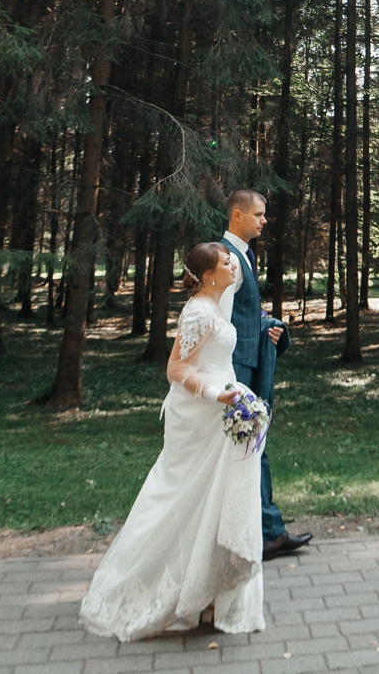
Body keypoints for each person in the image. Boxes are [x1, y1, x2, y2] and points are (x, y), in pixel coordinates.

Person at [78, 241, 265, 640]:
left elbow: (221, 356)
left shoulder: (217, 304)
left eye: (234, 262)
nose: (235, 268)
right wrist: (218, 395)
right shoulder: (198, 310)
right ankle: (164, 587)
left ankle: (208, 592)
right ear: (210, 274)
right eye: (227, 264)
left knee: (211, 502)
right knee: (183, 499)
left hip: (221, 411)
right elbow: (176, 367)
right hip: (200, 415)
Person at [217, 189, 312, 560]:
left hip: (247, 364)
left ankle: (268, 530)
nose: (264, 219)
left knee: (253, 448)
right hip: (234, 370)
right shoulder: (227, 259)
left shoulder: (246, 255)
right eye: (258, 214)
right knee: (247, 448)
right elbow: (218, 319)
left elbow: (242, 314)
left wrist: (265, 325)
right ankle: (263, 532)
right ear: (237, 215)